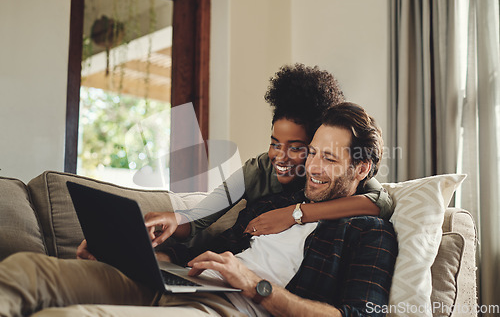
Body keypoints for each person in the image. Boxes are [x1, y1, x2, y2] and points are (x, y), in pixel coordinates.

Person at [0, 102, 397, 317]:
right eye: (311, 152)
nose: (310, 166)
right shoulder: (273, 199)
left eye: (328, 158)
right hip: (181, 283)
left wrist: (253, 284)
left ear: (361, 167)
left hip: (228, 306)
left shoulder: (369, 232)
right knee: (26, 269)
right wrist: (130, 253)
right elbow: (205, 233)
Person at [142, 64, 393, 249]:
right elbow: (202, 215)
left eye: (296, 148)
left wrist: (294, 213)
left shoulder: (338, 175)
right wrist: (175, 218)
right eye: (275, 144)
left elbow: (381, 202)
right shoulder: (259, 169)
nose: (280, 157)